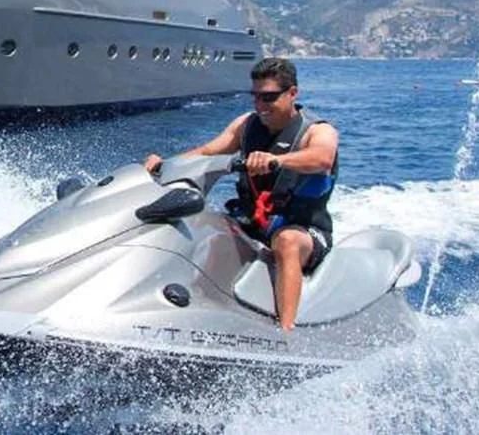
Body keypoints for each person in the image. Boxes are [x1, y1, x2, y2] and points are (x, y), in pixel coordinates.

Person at [142, 57, 338, 332]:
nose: (260, 105)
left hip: (306, 230)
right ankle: (194, 312)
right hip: (252, 225)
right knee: (200, 224)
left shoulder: (317, 131)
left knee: (287, 241)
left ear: (292, 93)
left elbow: (323, 158)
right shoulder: (246, 125)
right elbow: (207, 152)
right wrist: (164, 165)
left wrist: (275, 160)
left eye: (268, 97)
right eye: (255, 97)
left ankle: (286, 332)